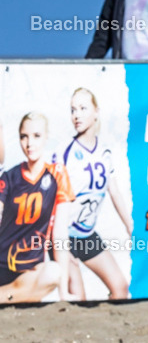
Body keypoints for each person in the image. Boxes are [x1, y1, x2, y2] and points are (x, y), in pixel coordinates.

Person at [62, 88, 132, 300]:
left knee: (120, 289)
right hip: (63, 237)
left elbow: (114, 192)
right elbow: (52, 202)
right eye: (73, 110)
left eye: (83, 108)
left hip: (86, 236)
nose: (77, 115)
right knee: (78, 301)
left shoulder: (104, 151)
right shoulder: (65, 152)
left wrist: (130, 226)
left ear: (96, 112)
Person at [0, 113, 74, 303]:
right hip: (2, 266)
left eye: (36, 136)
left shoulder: (57, 175)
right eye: (24, 137)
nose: (29, 143)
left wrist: (64, 292)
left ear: (46, 137)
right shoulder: (9, 177)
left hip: (31, 272)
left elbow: (60, 235)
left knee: (54, 272)